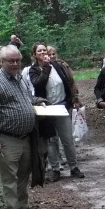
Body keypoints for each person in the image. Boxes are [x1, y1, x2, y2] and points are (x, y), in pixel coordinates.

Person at [0, 45, 45, 209]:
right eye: (11, 61)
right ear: (2, 62)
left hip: (25, 137)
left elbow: (26, 98)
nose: (15, 64)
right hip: (7, 138)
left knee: (23, 175)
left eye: (18, 60)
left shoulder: (19, 78)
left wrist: (37, 101)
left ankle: (23, 207)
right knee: (10, 179)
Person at [29, 43, 85, 181]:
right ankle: (55, 169)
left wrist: (71, 99)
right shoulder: (34, 70)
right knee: (51, 140)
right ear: (35, 54)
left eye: (44, 50)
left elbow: (67, 83)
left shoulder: (58, 66)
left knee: (67, 139)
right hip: (46, 110)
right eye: (39, 51)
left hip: (62, 107)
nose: (42, 52)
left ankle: (74, 167)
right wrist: (46, 67)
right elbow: (38, 84)